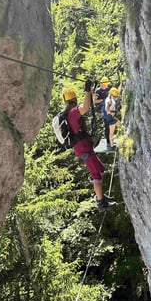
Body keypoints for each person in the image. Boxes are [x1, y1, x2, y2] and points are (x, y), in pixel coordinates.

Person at [62, 83, 116, 212]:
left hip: (85, 147)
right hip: (83, 148)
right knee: (96, 174)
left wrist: (90, 91)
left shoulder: (71, 112)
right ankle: (100, 203)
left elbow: (86, 105)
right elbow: (85, 107)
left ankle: (101, 196)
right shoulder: (72, 113)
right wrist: (87, 91)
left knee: (100, 169)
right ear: (74, 99)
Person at [94, 76, 111, 146]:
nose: (106, 85)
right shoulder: (98, 91)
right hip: (103, 108)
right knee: (107, 125)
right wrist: (103, 100)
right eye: (105, 84)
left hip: (109, 107)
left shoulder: (107, 89)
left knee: (111, 124)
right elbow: (94, 101)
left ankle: (111, 139)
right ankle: (108, 141)